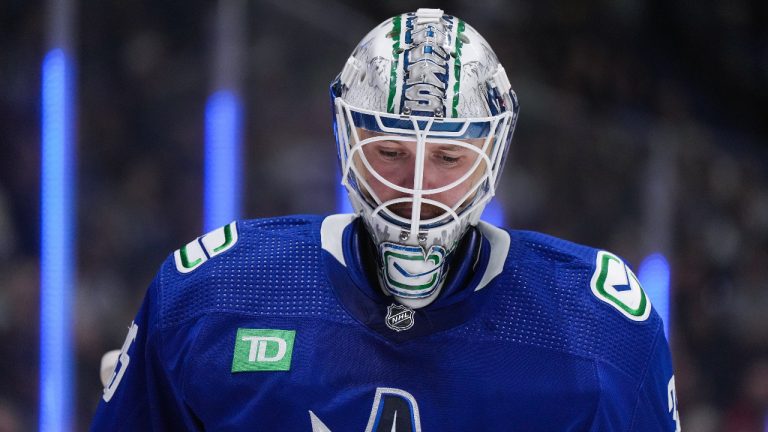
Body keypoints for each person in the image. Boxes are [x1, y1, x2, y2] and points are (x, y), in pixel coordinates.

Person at [91, 8, 680, 431]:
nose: (418, 186)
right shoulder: (215, 292)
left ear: (491, 158)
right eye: (390, 152)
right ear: (347, 142)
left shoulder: (601, 330)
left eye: (448, 156)